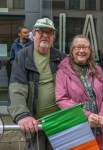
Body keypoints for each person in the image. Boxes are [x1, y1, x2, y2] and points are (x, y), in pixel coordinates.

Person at [8, 18, 66, 150]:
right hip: (34, 123)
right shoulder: (23, 56)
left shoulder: (61, 57)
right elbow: (17, 88)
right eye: (41, 32)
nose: (45, 35)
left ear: (53, 37)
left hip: (59, 123)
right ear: (33, 35)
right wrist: (22, 115)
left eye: (49, 32)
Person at [55, 35, 103, 150]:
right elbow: (61, 99)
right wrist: (87, 115)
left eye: (85, 47)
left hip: (98, 128)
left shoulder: (98, 70)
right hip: (77, 128)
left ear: (90, 51)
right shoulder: (62, 72)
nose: (81, 51)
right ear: (71, 51)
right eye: (77, 47)